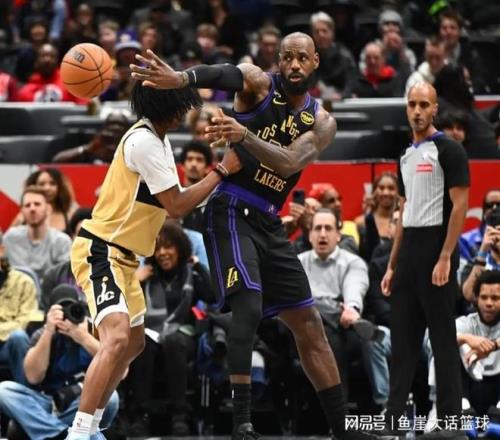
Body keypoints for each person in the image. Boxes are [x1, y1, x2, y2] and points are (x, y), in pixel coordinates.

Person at [130, 32, 378, 440]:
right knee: (248, 305)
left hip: (268, 220)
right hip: (230, 208)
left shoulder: (322, 121)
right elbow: (222, 73)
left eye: (302, 58)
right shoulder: (259, 83)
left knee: (309, 322)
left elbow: (290, 162)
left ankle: (341, 429)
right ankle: (242, 423)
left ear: (316, 62)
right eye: (287, 57)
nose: (294, 65)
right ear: (278, 60)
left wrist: (244, 136)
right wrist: (181, 79)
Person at [67, 80, 240, 440]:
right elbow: (176, 206)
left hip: (126, 258)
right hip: (102, 250)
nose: (186, 109)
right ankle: (79, 433)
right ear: (168, 107)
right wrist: (221, 170)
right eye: (181, 103)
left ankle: (93, 426)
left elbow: (176, 199)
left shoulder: (158, 140)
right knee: (116, 338)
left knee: (133, 344)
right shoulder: (144, 142)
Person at [381, 82, 470, 439]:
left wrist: (446, 256)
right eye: (412, 104)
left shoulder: (450, 150)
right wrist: (392, 265)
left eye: (423, 104)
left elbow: (460, 206)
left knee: (442, 339)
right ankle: (392, 420)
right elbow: (404, 213)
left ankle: (451, 424)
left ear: (435, 109)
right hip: (409, 254)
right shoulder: (405, 154)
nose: (417, 111)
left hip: (438, 248)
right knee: (402, 342)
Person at [127, 220, 215, 436]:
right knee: (140, 343)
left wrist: (199, 267)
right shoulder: (147, 276)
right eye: (157, 248)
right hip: (150, 335)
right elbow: (125, 307)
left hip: (183, 335)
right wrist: (134, 282)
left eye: (168, 247)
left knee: (173, 341)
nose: (162, 253)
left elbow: (213, 297)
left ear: (180, 248)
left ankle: (180, 415)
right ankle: (141, 415)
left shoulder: (190, 274)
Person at [0, 284, 119, 440]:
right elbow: (33, 377)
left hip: (81, 404)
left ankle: (48, 432)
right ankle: (60, 434)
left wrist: (83, 338)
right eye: (61, 311)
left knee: (111, 397)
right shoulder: (42, 334)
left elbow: (121, 371)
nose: (66, 316)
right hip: (47, 404)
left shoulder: (93, 330)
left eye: (72, 309)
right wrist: (49, 331)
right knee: (4, 390)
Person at [4, 186, 72, 282]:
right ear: (22, 211)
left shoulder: (62, 242)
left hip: (50, 291)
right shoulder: (10, 239)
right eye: (27, 205)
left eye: (37, 204)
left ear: (48, 209)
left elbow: (65, 280)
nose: (32, 208)